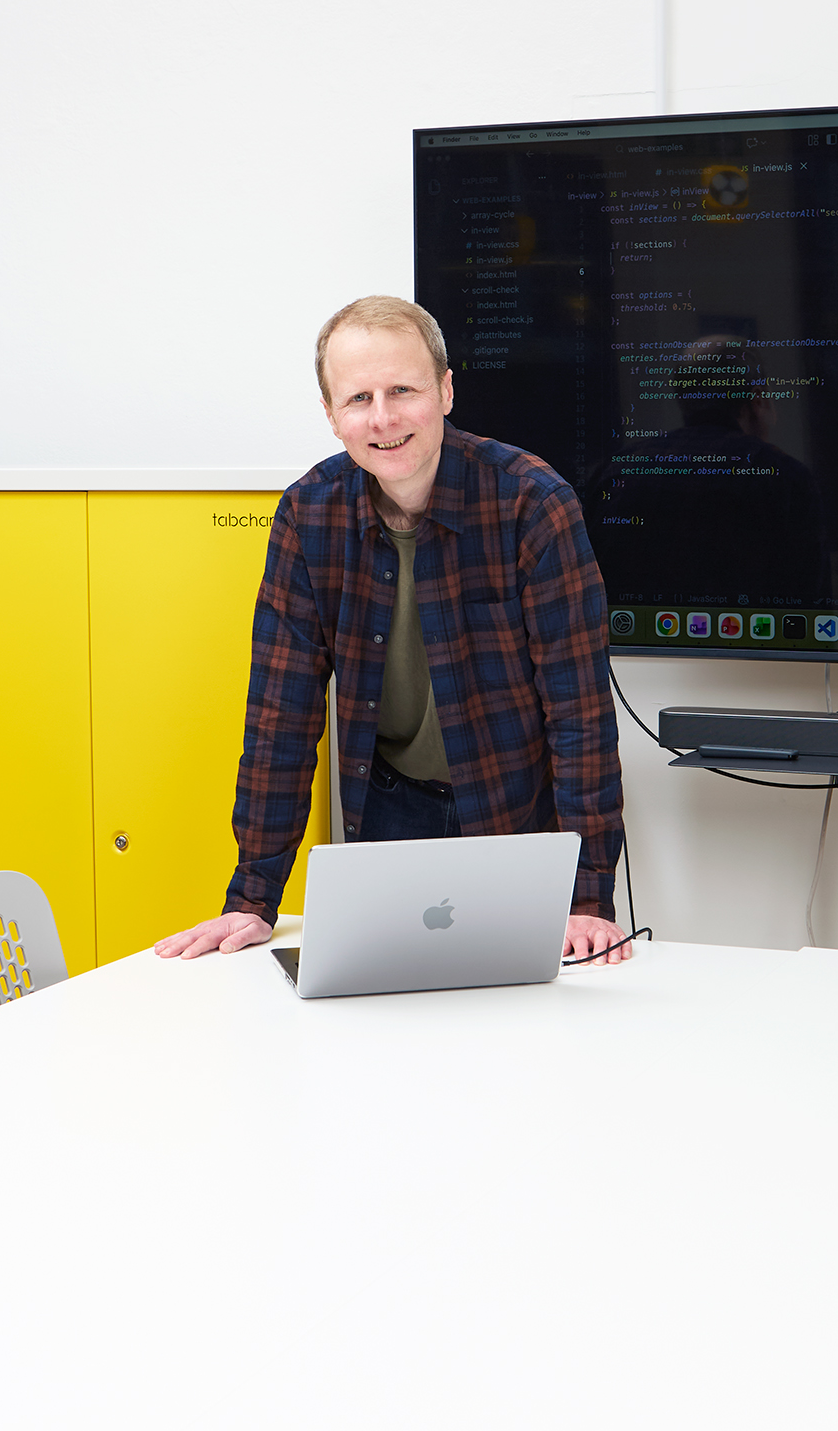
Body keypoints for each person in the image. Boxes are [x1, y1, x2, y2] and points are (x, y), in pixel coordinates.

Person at [156, 295, 631, 966]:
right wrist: (253, 900)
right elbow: (280, 718)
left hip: (516, 809)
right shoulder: (307, 514)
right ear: (331, 416)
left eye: (402, 390)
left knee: (526, 1022)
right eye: (358, 399)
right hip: (390, 807)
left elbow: (579, 715)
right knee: (388, 1018)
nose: (382, 418)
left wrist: (587, 902)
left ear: (444, 390)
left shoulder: (532, 502)